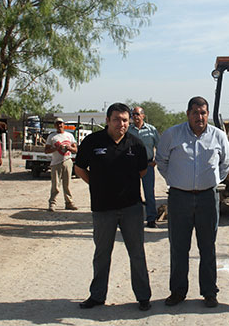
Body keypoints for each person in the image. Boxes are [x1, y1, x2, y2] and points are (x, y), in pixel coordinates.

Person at [75, 103, 152, 312]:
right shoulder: (93, 142)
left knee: (137, 253)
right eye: (117, 119)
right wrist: (96, 183)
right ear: (107, 121)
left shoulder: (135, 144)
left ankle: (143, 296)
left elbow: (142, 171)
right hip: (103, 209)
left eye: (125, 120)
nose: (122, 124)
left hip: (131, 209)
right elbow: (79, 167)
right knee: (102, 254)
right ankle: (97, 296)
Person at [155, 96, 229, 308]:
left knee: (208, 247)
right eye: (195, 112)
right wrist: (174, 179)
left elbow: (226, 163)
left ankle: (209, 292)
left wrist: (213, 181)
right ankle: (178, 291)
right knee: (179, 247)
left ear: (208, 114)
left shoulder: (218, 136)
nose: (200, 116)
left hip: (208, 197)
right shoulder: (172, 134)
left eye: (203, 112)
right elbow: (161, 160)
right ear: (188, 113)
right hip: (179, 198)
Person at [129, 106, 160, 228]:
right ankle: (133, 219)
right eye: (133, 114)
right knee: (132, 193)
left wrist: (156, 161)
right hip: (132, 166)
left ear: (143, 115)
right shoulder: (128, 130)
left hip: (147, 165)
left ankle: (151, 219)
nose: (135, 116)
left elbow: (160, 147)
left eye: (137, 114)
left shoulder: (151, 130)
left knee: (149, 193)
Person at [45, 118, 78, 211]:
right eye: (57, 124)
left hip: (67, 161)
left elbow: (75, 149)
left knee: (67, 184)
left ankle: (69, 203)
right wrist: (56, 148)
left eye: (61, 123)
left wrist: (69, 148)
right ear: (55, 126)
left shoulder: (69, 135)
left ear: (64, 125)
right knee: (55, 185)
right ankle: (52, 203)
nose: (59, 126)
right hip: (56, 162)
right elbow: (46, 150)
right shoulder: (52, 137)